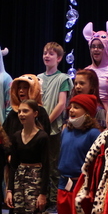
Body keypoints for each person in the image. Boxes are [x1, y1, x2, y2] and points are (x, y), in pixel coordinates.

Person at [52, 94, 102, 214]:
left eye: (77, 107)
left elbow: (96, 164)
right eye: (70, 106)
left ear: (88, 112)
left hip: (82, 187)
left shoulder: (93, 134)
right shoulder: (66, 130)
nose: (71, 110)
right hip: (64, 185)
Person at [6, 99, 50, 214]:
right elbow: (13, 165)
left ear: (35, 113)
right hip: (19, 180)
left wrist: (43, 193)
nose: (22, 114)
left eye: (26, 111)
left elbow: (47, 166)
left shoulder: (42, 137)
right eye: (20, 111)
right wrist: (9, 189)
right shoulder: (16, 136)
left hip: (35, 179)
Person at [37, 42, 73, 199]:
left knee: (53, 165)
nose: (47, 56)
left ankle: (54, 199)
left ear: (59, 58)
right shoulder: (38, 78)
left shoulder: (62, 78)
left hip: (53, 129)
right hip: (38, 128)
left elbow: (61, 104)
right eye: (45, 53)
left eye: (51, 53)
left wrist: (46, 122)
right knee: (39, 164)